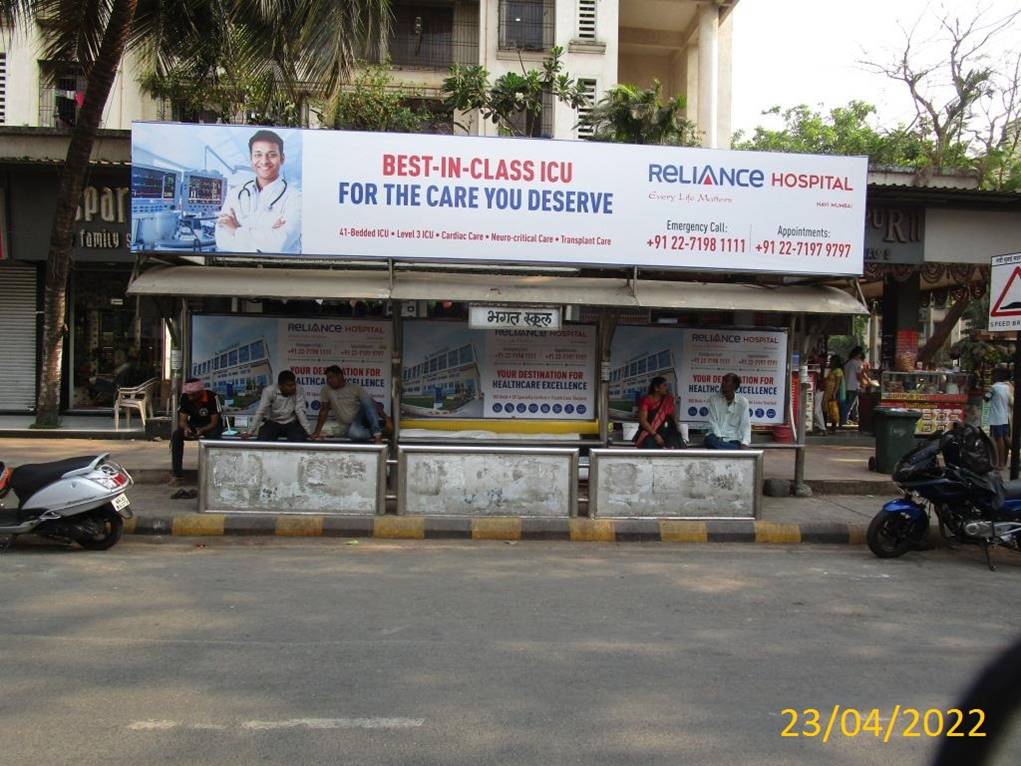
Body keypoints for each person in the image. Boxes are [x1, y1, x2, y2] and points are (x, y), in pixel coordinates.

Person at [216, 129, 302, 254]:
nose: (264, 161)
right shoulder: (235, 193)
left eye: (272, 155)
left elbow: (279, 243)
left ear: (282, 158)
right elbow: (222, 239)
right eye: (258, 155)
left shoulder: (295, 197)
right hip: (237, 268)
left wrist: (235, 229)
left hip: (281, 269)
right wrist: (267, 234)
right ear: (250, 158)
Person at [310, 365, 384, 443]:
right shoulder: (326, 389)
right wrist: (317, 432)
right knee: (325, 430)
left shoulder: (355, 388)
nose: (329, 380)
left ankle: (377, 435)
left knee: (366, 401)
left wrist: (386, 418)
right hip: (344, 424)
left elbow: (370, 404)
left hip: (359, 420)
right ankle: (380, 432)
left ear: (340, 376)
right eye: (328, 378)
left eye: (331, 377)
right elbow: (324, 410)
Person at [170, 378, 222, 483]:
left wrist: (202, 430)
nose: (190, 397)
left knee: (213, 439)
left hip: (210, 425)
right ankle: (177, 475)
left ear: (200, 392)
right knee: (176, 435)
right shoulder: (185, 398)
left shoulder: (211, 396)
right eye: (189, 394)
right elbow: (182, 420)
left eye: (193, 395)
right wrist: (186, 428)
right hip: (195, 423)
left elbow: (214, 422)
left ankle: (213, 475)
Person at [244, 370, 311, 442]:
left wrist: (309, 432)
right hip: (273, 422)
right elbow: (261, 412)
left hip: (292, 423)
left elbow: (299, 411)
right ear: (280, 386)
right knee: (263, 439)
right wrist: (250, 432)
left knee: (300, 439)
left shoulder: (299, 389)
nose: (293, 387)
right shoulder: (269, 391)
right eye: (289, 385)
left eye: (294, 384)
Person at [704, 373, 751, 449]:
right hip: (716, 436)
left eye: (726, 381)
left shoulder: (743, 402)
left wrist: (745, 443)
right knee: (709, 440)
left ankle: (729, 448)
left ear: (734, 385)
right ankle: (736, 450)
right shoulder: (713, 400)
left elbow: (745, 425)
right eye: (722, 381)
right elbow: (713, 422)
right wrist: (719, 437)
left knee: (734, 444)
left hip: (733, 438)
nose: (722, 383)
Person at [634, 376, 683, 449]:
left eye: (667, 385)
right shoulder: (646, 400)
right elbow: (643, 421)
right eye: (664, 385)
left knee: (675, 444)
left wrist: (678, 430)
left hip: (668, 432)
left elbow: (673, 417)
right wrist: (655, 435)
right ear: (656, 388)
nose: (667, 388)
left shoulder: (668, 399)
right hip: (650, 431)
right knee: (649, 443)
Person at [987, 367, 1013, 469]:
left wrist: (987, 391)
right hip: (1005, 416)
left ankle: (1001, 463)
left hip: (996, 417)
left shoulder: (993, 387)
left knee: (999, 439)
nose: (991, 377)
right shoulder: (1007, 386)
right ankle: (1016, 457)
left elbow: (986, 398)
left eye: (992, 375)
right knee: (1006, 438)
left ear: (997, 376)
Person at [822, 355, 845, 435]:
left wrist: (834, 393)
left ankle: (833, 427)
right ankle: (824, 426)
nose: (830, 362)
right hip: (828, 391)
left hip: (832, 391)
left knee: (832, 409)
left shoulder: (838, 371)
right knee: (825, 408)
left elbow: (838, 383)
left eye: (831, 361)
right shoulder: (832, 370)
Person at [842, 347, 865, 424]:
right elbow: (858, 375)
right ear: (858, 354)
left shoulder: (847, 363)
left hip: (847, 386)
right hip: (854, 386)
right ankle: (844, 420)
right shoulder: (856, 363)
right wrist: (862, 383)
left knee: (854, 403)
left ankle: (855, 419)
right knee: (850, 404)